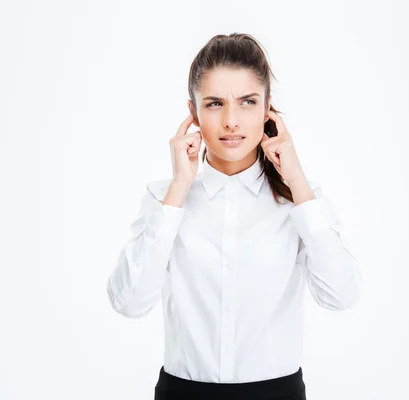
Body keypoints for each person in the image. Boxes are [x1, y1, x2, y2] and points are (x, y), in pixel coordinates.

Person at [106, 33, 362, 400]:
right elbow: (129, 303)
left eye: (247, 102)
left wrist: (298, 183)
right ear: (193, 113)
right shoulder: (164, 199)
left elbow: (342, 295)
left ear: (267, 108)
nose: (231, 121)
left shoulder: (300, 201)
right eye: (214, 104)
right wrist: (178, 188)